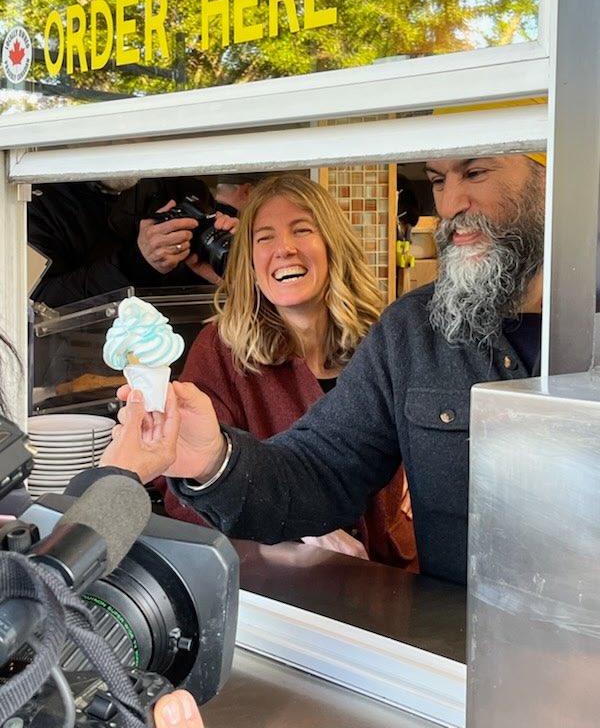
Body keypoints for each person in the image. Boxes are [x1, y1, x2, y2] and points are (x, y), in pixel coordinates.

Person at [76, 150, 546, 587]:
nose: (449, 204)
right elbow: (321, 468)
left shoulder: (382, 332)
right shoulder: (413, 329)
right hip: (426, 641)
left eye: (476, 172)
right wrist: (213, 461)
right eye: (438, 181)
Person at [159, 173, 417, 567]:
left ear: (333, 244)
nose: (284, 249)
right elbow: (181, 490)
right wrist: (295, 527)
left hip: (390, 577)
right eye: (264, 238)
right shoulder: (220, 350)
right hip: (284, 591)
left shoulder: (383, 340)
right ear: (249, 261)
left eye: (302, 230)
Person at [27, 176, 229, 308]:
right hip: (81, 359)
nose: (122, 139)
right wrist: (135, 263)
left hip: (184, 346)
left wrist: (229, 266)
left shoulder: (183, 187)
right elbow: (35, 305)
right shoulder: (31, 200)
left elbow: (201, 290)